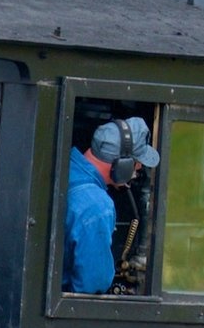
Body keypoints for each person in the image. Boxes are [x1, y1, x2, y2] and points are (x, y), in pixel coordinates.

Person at [66, 116, 159, 295]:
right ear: (121, 164)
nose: (139, 168)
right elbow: (92, 287)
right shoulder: (97, 206)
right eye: (136, 162)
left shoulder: (66, 167)